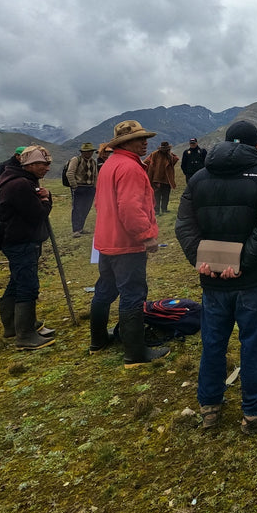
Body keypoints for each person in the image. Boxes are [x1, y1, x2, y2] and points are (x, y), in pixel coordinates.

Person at [175, 120, 257, 434]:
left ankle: (210, 408)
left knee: (213, 343)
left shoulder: (199, 178)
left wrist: (201, 260)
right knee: (253, 344)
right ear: (256, 146)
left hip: (212, 281)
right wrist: (242, 263)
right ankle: (255, 411)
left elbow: (184, 226)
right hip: (252, 280)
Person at [90, 120, 170, 367]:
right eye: (139, 139)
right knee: (133, 294)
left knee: (105, 290)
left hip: (107, 241)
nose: (145, 142)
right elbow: (131, 210)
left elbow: (99, 204)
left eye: (145, 137)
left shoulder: (109, 165)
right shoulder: (131, 168)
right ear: (125, 143)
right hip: (127, 245)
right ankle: (135, 353)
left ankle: (98, 340)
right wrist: (147, 236)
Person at [0, 146, 56, 350]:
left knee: (17, 281)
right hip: (22, 241)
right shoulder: (21, 184)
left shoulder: (14, 180)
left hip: (16, 239)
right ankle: (25, 335)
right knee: (27, 286)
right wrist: (47, 199)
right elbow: (37, 213)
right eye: (43, 164)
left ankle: (13, 326)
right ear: (30, 165)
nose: (47, 168)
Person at [64, 142, 98, 236]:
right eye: (87, 151)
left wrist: (95, 187)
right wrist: (74, 186)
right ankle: (76, 230)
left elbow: (95, 175)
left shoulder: (93, 162)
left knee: (86, 209)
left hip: (90, 188)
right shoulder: (76, 160)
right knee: (77, 208)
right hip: (79, 187)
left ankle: (81, 228)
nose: (89, 153)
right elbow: (69, 173)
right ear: (82, 152)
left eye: (90, 151)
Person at [145, 141, 179, 215]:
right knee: (157, 196)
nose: (165, 150)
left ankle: (164, 209)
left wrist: (170, 154)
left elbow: (176, 159)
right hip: (157, 179)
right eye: (164, 148)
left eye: (166, 148)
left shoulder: (170, 156)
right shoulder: (154, 154)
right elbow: (146, 162)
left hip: (167, 179)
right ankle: (156, 210)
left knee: (166, 195)